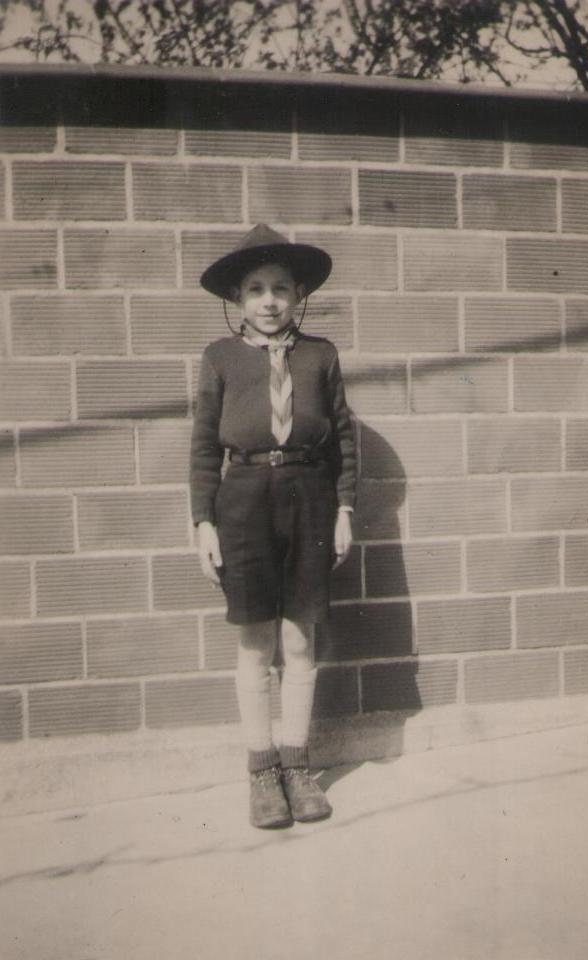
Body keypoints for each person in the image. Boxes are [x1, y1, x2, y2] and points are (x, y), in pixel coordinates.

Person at [190, 224, 357, 829]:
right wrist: (204, 522)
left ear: (298, 294)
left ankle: (297, 765)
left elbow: (343, 441)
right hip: (243, 500)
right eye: (255, 289)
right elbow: (203, 448)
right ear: (237, 298)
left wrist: (343, 510)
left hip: (309, 496)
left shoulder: (321, 356)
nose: (268, 301)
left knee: (300, 639)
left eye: (280, 288)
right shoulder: (220, 358)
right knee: (255, 641)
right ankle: (262, 772)